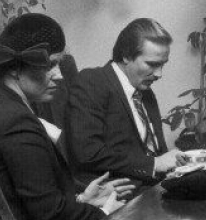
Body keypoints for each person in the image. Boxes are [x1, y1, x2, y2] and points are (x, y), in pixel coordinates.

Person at [0, 13, 133, 220]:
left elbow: (36, 203)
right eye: (50, 65)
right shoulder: (14, 120)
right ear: (15, 69)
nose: (59, 76)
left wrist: (82, 199)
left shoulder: (2, 106)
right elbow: (49, 213)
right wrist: (105, 214)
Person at [66, 18, 183, 185]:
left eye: (162, 65)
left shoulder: (145, 92)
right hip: (116, 193)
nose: (159, 74)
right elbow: (87, 152)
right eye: (152, 64)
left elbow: (157, 152)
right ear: (126, 56)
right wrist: (153, 164)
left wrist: (176, 163)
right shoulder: (91, 82)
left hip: (153, 188)